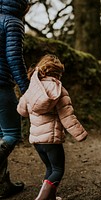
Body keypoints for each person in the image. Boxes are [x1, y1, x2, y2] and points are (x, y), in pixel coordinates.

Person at [17, 54, 88, 200]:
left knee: (50, 168)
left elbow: (22, 111)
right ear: (57, 73)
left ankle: (51, 197)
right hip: (51, 139)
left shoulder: (32, 88)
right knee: (57, 169)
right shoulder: (59, 90)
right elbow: (67, 116)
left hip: (37, 141)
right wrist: (80, 134)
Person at [0, 0, 31, 198]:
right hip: (1, 86)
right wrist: (27, 89)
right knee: (12, 134)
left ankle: (3, 186)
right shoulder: (12, 22)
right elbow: (14, 58)